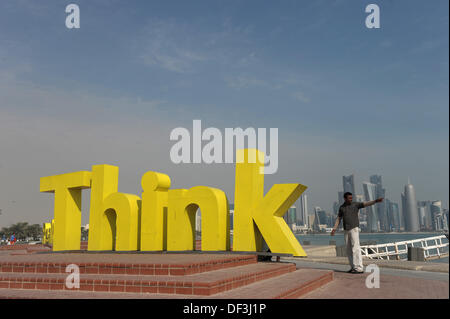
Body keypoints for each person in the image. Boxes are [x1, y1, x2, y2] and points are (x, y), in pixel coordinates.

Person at [331, 192, 383, 274]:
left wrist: (375, 201)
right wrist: (334, 229)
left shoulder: (355, 205)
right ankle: (353, 267)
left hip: (354, 229)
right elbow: (339, 218)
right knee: (348, 250)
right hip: (346, 230)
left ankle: (359, 268)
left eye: (351, 198)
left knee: (355, 248)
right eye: (349, 198)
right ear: (345, 198)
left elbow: (366, 204)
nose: (351, 199)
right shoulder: (342, 208)